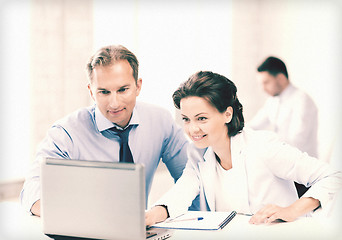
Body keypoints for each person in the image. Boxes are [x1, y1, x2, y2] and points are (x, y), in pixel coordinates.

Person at [145, 71, 342, 226]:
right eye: (186, 119)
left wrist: (292, 210)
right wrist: (149, 216)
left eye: (202, 118)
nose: (192, 129)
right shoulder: (198, 154)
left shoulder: (263, 146)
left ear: (227, 114)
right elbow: (181, 193)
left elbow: (333, 176)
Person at [20, 45, 191, 216]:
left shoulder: (160, 121)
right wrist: (79, 218)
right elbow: (33, 191)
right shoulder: (66, 133)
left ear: (138, 86)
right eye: (104, 92)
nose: (114, 103)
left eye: (123, 90)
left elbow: (191, 178)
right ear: (92, 92)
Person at [249, 56, 319, 197]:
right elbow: (254, 125)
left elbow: (296, 141)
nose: (263, 89)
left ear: (280, 78)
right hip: (285, 170)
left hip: (302, 175)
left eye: (266, 82)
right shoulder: (272, 101)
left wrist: (265, 144)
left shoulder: (301, 100)